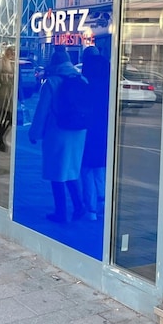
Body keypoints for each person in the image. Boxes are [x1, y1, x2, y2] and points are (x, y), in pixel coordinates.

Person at [28, 51, 87, 223]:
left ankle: (61, 212)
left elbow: (42, 111)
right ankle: (79, 206)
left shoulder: (52, 82)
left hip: (58, 132)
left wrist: (34, 134)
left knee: (57, 172)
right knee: (71, 170)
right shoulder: (82, 80)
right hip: (78, 132)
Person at [79, 47, 110, 221]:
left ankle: (90, 210)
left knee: (86, 169)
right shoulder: (108, 74)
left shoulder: (86, 78)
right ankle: (103, 202)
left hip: (89, 127)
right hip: (104, 127)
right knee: (100, 168)